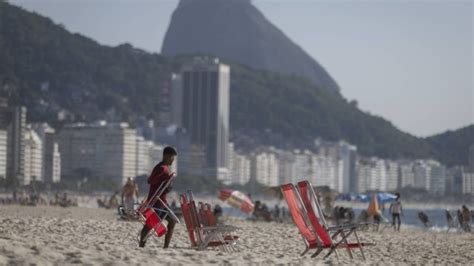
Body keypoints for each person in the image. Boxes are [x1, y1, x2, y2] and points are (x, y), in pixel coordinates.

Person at [138, 146, 177, 248]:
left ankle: (166, 248)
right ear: (167, 156)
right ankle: (141, 246)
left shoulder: (163, 168)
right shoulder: (161, 169)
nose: (173, 160)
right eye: (173, 158)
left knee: (172, 221)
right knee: (149, 225)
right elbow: (150, 180)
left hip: (162, 201)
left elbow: (160, 183)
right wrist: (166, 180)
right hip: (157, 202)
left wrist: (166, 185)